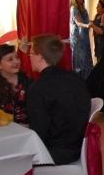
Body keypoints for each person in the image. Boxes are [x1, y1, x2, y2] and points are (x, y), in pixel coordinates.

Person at [26, 34, 91, 165]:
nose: (29, 57)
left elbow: (39, 132)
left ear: (40, 56)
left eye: (31, 53)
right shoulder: (75, 78)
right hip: (79, 146)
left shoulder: (38, 88)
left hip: (54, 153)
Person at [0, 44, 31, 123]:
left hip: (27, 127)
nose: (16, 62)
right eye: (10, 59)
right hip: (1, 127)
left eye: (17, 57)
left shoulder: (27, 81)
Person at [69, 0, 93, 80]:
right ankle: (80, 80)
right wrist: (87, 25)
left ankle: (88, 79)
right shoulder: (73, 9)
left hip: (84, 37)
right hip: (78, 38)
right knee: (80, 60)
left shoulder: (84, 9)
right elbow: (78, 22)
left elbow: (87, 22)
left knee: (87, 58)